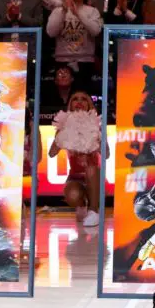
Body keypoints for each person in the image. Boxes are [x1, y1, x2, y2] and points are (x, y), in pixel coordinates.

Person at [48, 91, 105, 226]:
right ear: (70, 104)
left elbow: (106, 154)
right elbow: (52, 153)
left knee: (91, 169)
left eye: (83, 99)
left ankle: (93, 210)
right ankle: (82, 204)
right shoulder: (64, 125)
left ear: (89, 104)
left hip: (94, 176)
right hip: (75, 176)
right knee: (72, 195)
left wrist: (97, 139)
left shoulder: (97, 124)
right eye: (75, 99)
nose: (79, 102)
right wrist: (63, 133)